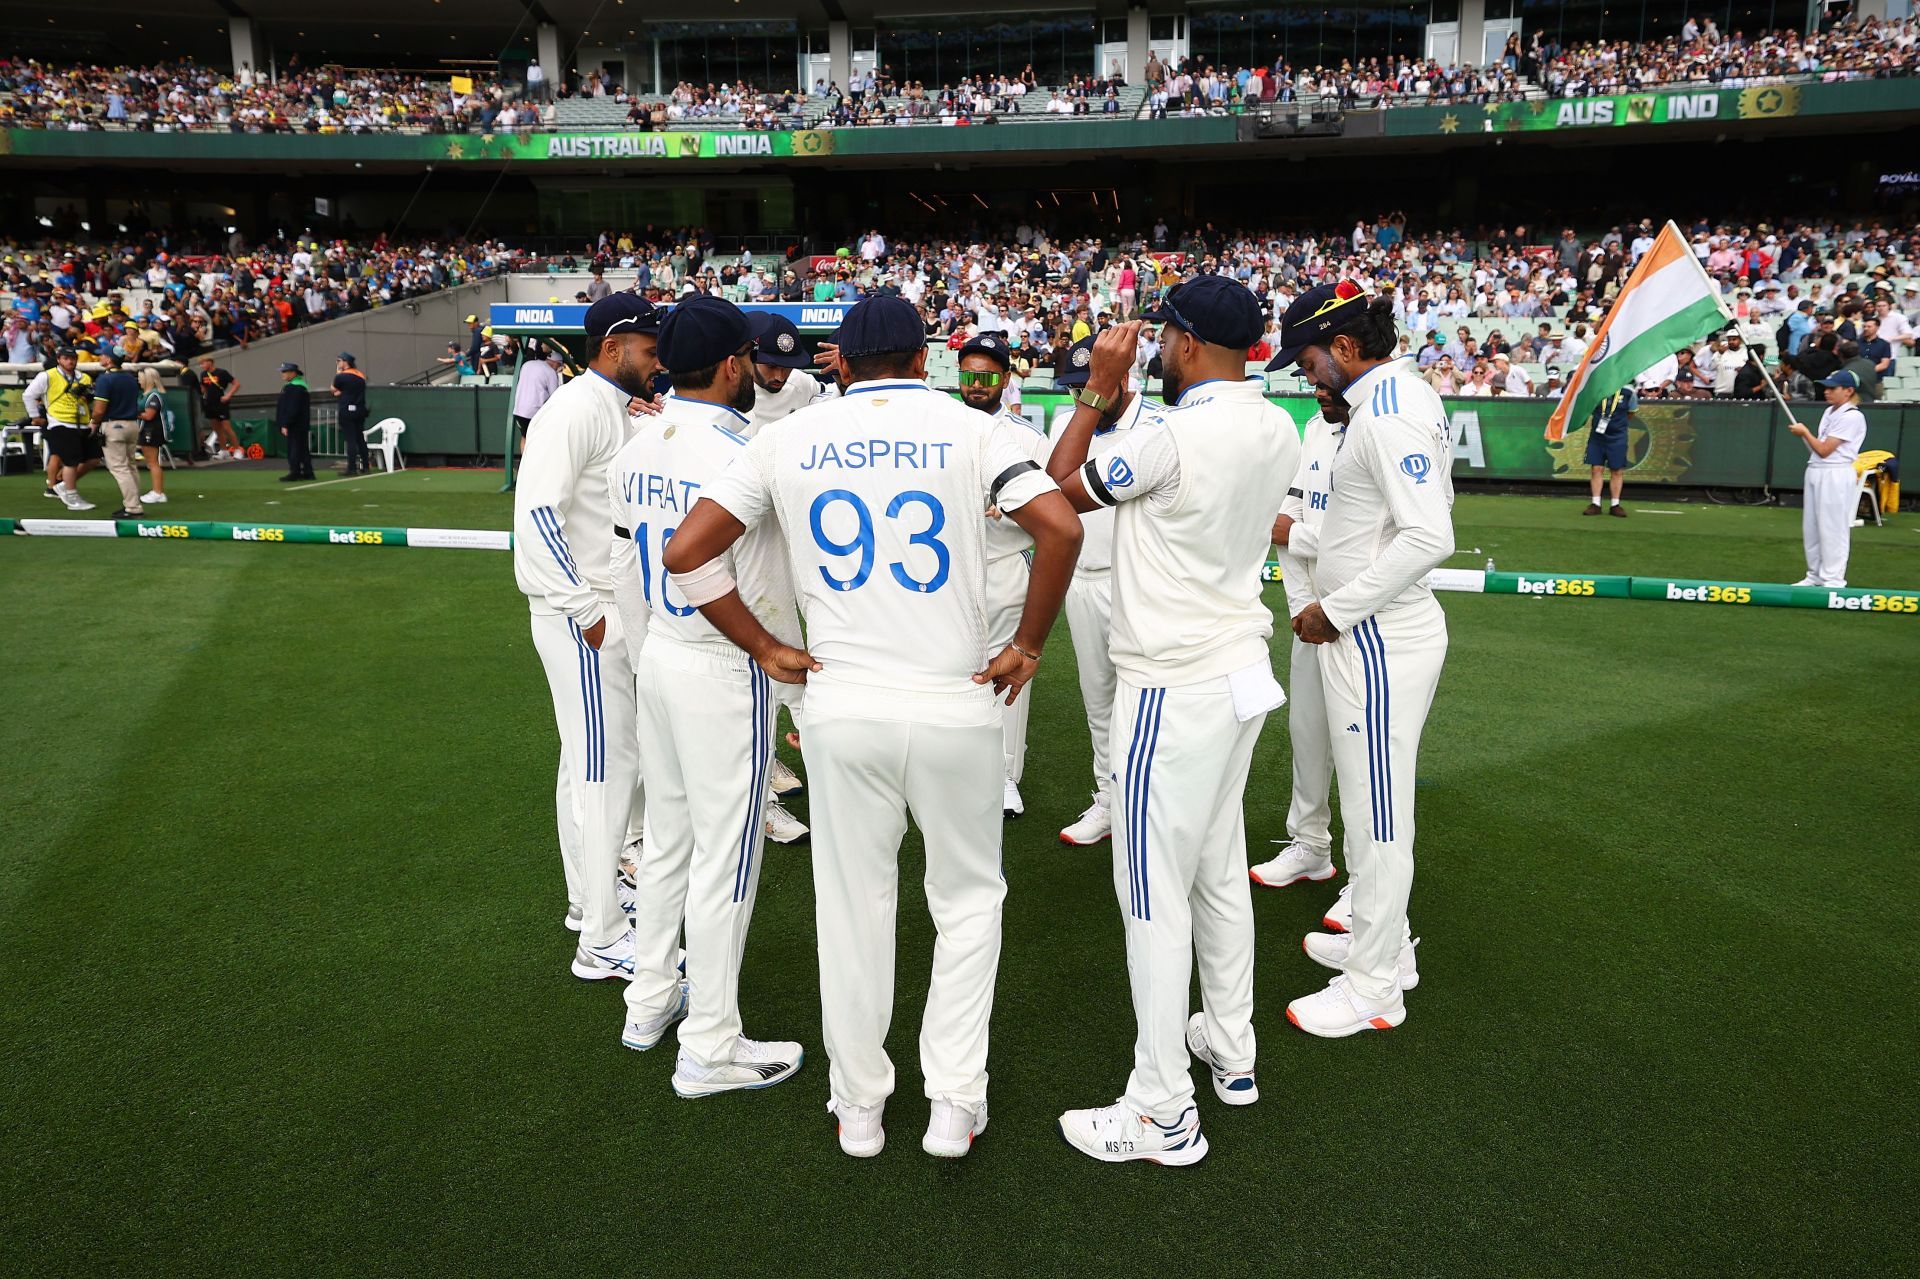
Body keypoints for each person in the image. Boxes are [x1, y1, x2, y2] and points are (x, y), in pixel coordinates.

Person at [661, 294, 1081, 1160]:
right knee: (967, 904)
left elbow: (684, 553)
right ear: (923, 359)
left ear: (841, 365)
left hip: (843, 705)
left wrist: (764, 644)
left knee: (854, 909)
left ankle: (859, 1104)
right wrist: (1029, 645)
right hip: (957, 699)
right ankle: (955, 1103)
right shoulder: (975, 429)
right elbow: (1061, 526)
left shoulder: (786, 435)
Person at [1046, 275, 1299, 1166]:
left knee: (1152, 895)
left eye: (1161, 338)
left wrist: (1095, 394)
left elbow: (1051, 492)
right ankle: (1231, 1050)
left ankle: (1160, 1111)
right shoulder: (1279, 423)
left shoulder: (1168, 436)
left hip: (1173, 683)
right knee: (1218, 871)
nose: (1151, 348)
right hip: (1238, 674)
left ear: (1186, 344)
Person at [607, 294, 805, 1096]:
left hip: (660, 651)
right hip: (724, 664)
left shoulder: (637, 443)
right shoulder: (749, 449)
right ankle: (711, 1044)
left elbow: (627, 569)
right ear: (732, 364)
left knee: (672, 839)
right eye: (750, 357)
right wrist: (770, 650)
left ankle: (649, 998)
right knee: (726, 857)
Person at [1270, 281, 1453, 1040]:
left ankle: (1376, 982)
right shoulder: (1396, 397)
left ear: (1345, 346)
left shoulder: (1384, 413)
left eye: (1311, 359)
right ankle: (1382, 945)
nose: (1309, 377)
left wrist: (1334, 608)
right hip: (1373, 631)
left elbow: (1428, 537)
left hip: (1375, 635)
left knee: (1378, 820)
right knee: (1370, 809)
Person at [512, 293, 661, 979]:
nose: (657, 362)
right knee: (606, 770)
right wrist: (589, 613)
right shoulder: (572, 410)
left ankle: (589, 901)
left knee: (590, 765)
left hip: (596, 609)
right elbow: (538, 517)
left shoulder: (612, 406)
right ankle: (602, 937)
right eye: (649, 350)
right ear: (612, 347)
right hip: (582, 615)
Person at [1048, 333, 1160, 847]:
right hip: (1084, 580)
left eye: (1092, 384)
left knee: (1147, 702)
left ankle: (1149, 804)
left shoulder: (1159, 424)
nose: (1082, 397)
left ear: (1124, 376)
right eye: (1074, 388)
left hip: (1143, 585)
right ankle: (1109, 801)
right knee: (1099, 702)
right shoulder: (1069, 422)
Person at [1250, 382, 1356, 904]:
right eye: (1313, 384)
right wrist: (1299, 607)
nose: (1319, 392)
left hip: (1365, 618)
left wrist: (1299, 537)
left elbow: (1373, 540)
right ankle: (1311, 845)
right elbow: (1283, 524)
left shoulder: (1380, 429)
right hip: (1311, 617)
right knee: (1307, 733)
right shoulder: (1314, 429)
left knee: (1361, 753)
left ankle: (1368, 883)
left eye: (1327, 382)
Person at [740, 311, 838, 840]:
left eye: (784, 365)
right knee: (766, 641)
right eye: (767, 364)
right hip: (747, 532)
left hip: (800, 527)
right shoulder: (730, 387)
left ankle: (814, 751)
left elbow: (837, 408)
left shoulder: (804, 387)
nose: (776, 376)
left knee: (815, 633)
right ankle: (766, 762)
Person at [956, 331, 1050, 817]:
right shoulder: (941, 426)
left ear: (1005, 380)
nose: (976, 384)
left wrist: (1012, 512)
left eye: (987, 376)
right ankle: (954, 769)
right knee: (952, 670)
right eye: (969, 375)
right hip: (949, 570)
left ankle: (1005, 776)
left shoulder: (1028, 438)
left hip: (1004, 565)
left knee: (1009, 674)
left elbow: (1052, 509)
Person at [1791, 370, 1868, 589]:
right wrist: (1806, 436)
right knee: (1812, 526)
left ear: (1848, 391)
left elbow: (1825, 450)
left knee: (1833, 527)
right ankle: (1814, 574)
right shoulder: (1829, 412)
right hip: (1816, 469)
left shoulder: (1852, 416)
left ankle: (1833, 579)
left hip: (1836, 472)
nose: (1827, 392)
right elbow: (1819, 449)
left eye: (1832, 388)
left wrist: (1804, 432)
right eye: (1826, 387)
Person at [24, 345, 98, 510]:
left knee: (93, 458)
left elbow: (90, 400)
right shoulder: (48, 376)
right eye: (66, 358)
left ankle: (63, 485)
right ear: (59, 359)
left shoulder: (84, 377)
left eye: (73, 358)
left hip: (82, 422)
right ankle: (71, 496)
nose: (70, 361)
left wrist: (88, 396)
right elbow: (28, 394)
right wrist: (35, 416)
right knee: (70, 461)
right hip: (61, 421)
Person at [90, 350, 145, 517]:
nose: (100, 357)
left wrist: (93, 423)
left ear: (108, 360)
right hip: (132, 424)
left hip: (114, 425)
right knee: (130, 465)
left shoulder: (105, 379)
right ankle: (135, 502)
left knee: (120, 468)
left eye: (103, 355)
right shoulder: (130, 377)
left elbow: (99, 410)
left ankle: (133, 507)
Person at [1583, 386, 1634, 517]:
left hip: (1618, 437)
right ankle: (1596, 503)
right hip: (1597, 437)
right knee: (1596, 468)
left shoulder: (1629, 392)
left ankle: (1615, 504)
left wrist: (1616, 425)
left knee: (1617, 470)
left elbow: (1631, 412)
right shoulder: (1597, 390)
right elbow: (1588, 410)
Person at [135, 367, 171, 506]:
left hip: (153, 430)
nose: (139, 380)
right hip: (147, 430)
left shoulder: (154, 395)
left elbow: (149, 415)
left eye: (140, 377)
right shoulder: (146, 394)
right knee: (151, 462)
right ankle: (157, 491)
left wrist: (132, 412)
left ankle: (158, 492)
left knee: (153, 463)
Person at [195, 356, 243, 460]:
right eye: (200, 364)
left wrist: (228, 395)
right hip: (209, 404)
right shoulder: (203, 374)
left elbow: (236, 384)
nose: (201, 366)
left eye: (203, 363)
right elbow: (203, 388)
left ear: (210, 362)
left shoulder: (222, 373)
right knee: (217, 429)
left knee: (227, 428)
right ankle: (223, 450)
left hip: (221, 404)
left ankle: (237, 450)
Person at [513, 345, 566, 438]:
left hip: (518, 410)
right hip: (534, 413)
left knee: (524, 438)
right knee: (537, 439)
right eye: (559, 365)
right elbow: (554, 396)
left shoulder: (527, 364)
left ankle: (525, 453)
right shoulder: (551, 372)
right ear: (556, 363)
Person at [332, 352, 372, 476]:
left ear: (345, 362)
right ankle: (365, 466)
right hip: (360, 409)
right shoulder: (360, 375)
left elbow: (333, 389)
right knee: (360, 439)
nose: (337, 363)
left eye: (339, 361)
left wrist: (338, 373)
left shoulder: (342, 376)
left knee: (351, 440)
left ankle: (352, 468)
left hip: (347, 410)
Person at [275, 362, 314, 482]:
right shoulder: (300, 386)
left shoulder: (294, 388)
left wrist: (285, 423)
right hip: (300, 423)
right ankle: (308, 471)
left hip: (295, 424)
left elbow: (292, 408)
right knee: (302, 448)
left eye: (284, 371)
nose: (282, 374)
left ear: (293, 373)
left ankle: (295, 471)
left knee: (294, 448)